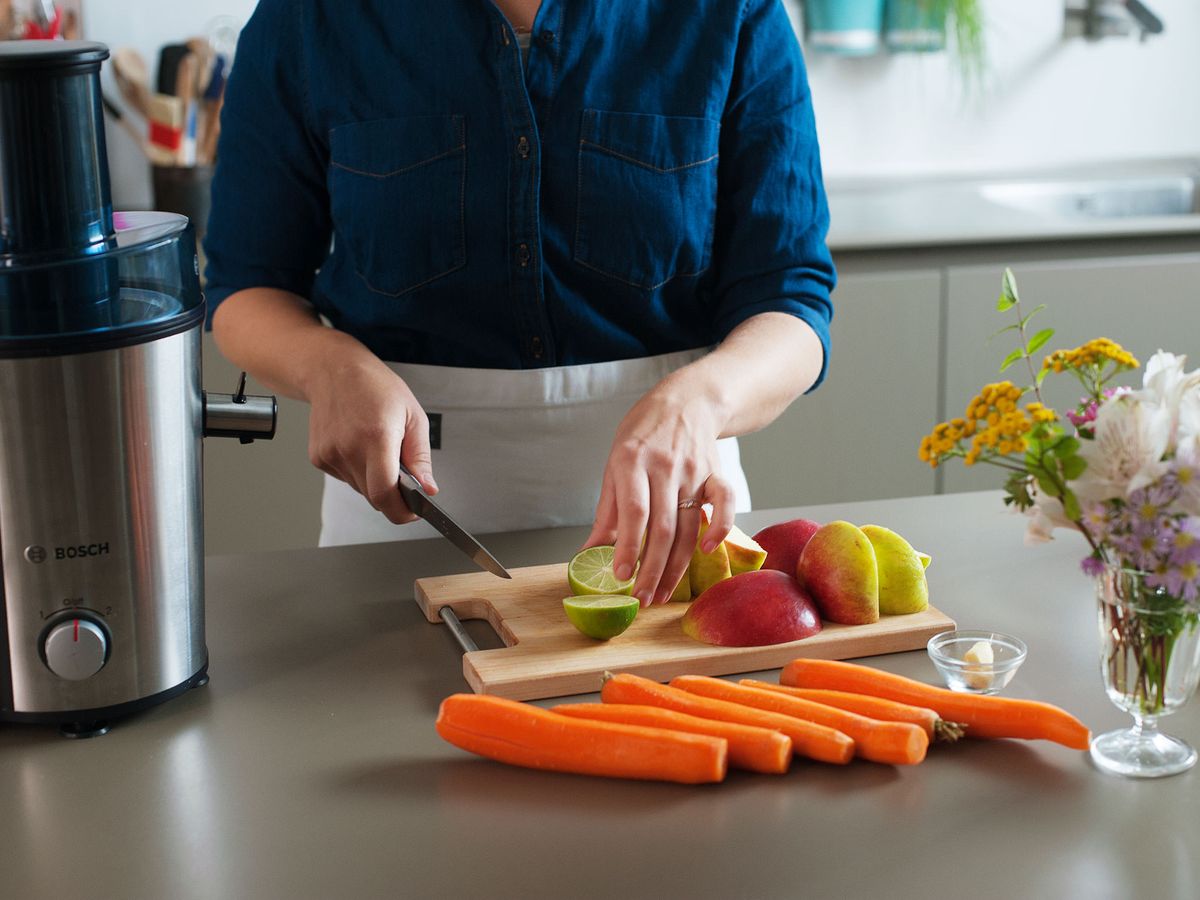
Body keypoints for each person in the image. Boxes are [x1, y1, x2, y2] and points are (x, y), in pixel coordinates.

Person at [204, 0, 836, 608]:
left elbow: (792, 301)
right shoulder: (307, 18)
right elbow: (244, 289)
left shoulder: (734, 12)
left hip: (675, 520)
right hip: (399, 520)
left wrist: (703, 400)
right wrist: (327, 365)